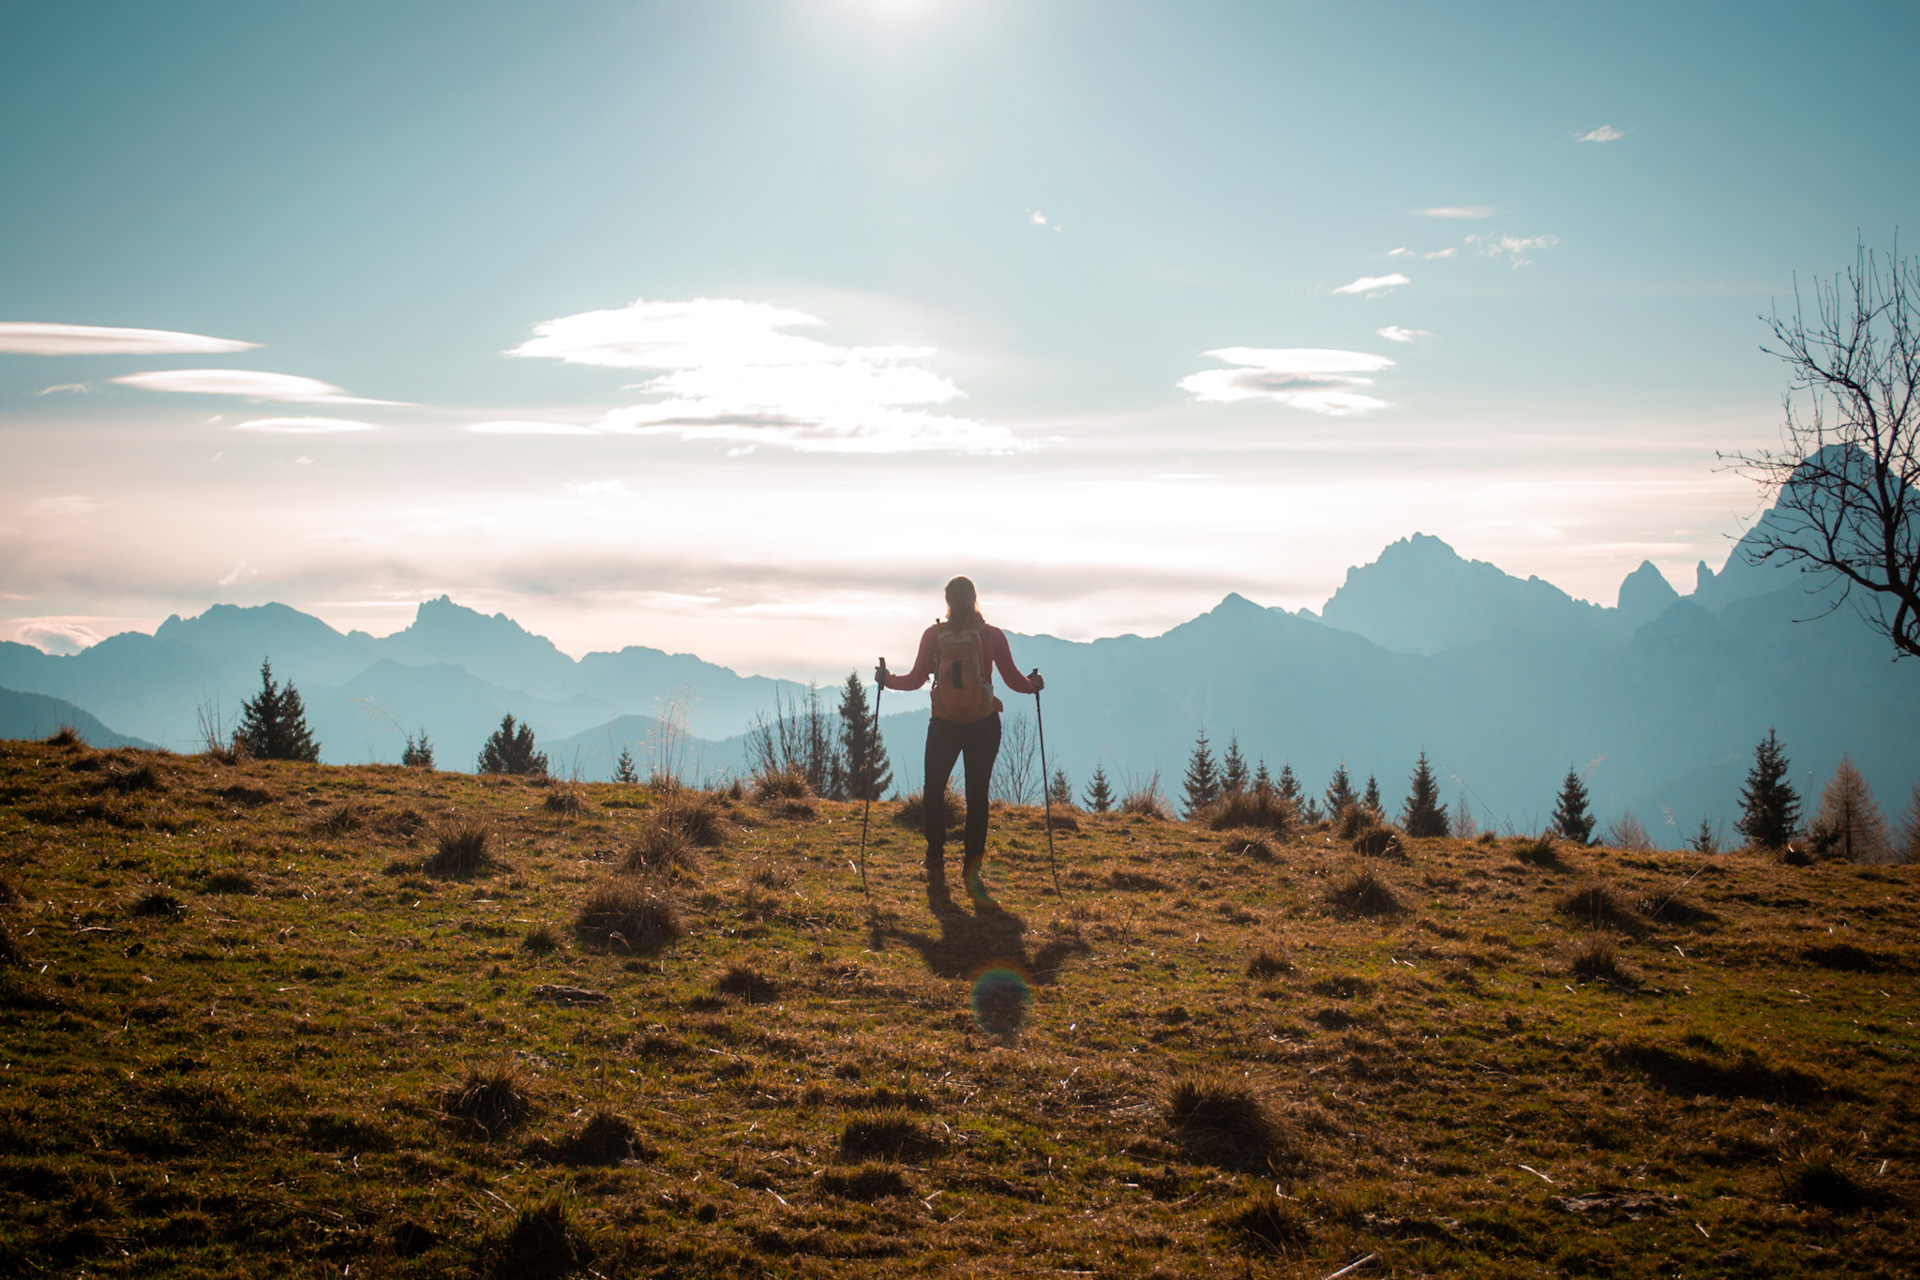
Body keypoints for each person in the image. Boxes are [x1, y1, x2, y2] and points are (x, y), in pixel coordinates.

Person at [878, 576, 1042, 904]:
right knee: (976, 795)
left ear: (948, 602)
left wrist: (886, 680)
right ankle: (972, 867)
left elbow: (914, 679)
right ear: (975, 599)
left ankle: (935, 857)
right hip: (983, 724)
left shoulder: (933, 636)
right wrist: (1034, 685)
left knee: (934, 789)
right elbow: (1012, 679)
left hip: (943, 724)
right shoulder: (991, 636)